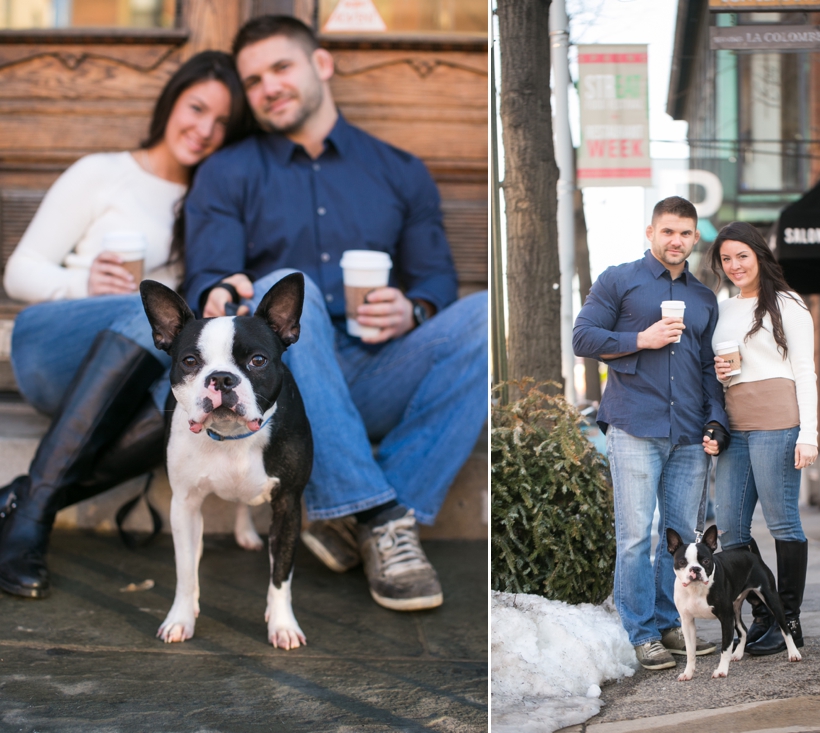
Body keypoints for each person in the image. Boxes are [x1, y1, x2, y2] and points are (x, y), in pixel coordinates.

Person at [181, 16, 488, 612]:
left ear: (321, 64)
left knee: (479, 315)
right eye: (253, 80)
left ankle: (351, 512)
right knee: (282, 286)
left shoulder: (398, 169)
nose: (268, 86)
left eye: (280, 67)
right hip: (280, 384)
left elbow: (435, 282)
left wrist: (413, 308)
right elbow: (207, 279)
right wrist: (221, 290)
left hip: (378, 370)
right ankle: (378, 516)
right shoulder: (227, 172)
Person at [0, 52, 253, 599]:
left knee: (187, 392)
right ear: (171, 101)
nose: (205, 130)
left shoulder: (210, 199)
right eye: (196, 108)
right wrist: (84, 283)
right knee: (148, 318)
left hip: (125, 371)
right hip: (52, 344)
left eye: (222, 123)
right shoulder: (103, 172)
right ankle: (31, 515)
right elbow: (19, 271)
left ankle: (28, 502)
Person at [572, 196, 730, 671]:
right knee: (636, 537)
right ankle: (640, 633)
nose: (676, 241)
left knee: (679, 538)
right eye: (668, 231)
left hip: (688, 435)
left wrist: (716, 420)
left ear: (694, 237)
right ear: (651, 232)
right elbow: (582, 337)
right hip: (634, 427)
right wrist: (641, 339)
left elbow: (707, 369)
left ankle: (667, 623)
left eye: (685, 233)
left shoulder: (704, 298)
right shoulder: (620, 280)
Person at [708, 221, 817, 656]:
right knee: (731, 526)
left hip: (779, 422)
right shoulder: (723, 307)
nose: (734, 265)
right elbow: (727, 367)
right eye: (726, 258)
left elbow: (805, 370)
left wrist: (808, 433)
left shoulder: (788, 303)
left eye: (742, 256)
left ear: (759, 256)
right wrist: (721, 375)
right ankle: (763, 613)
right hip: (737, 424)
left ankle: (789, 617)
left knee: (782, 521)